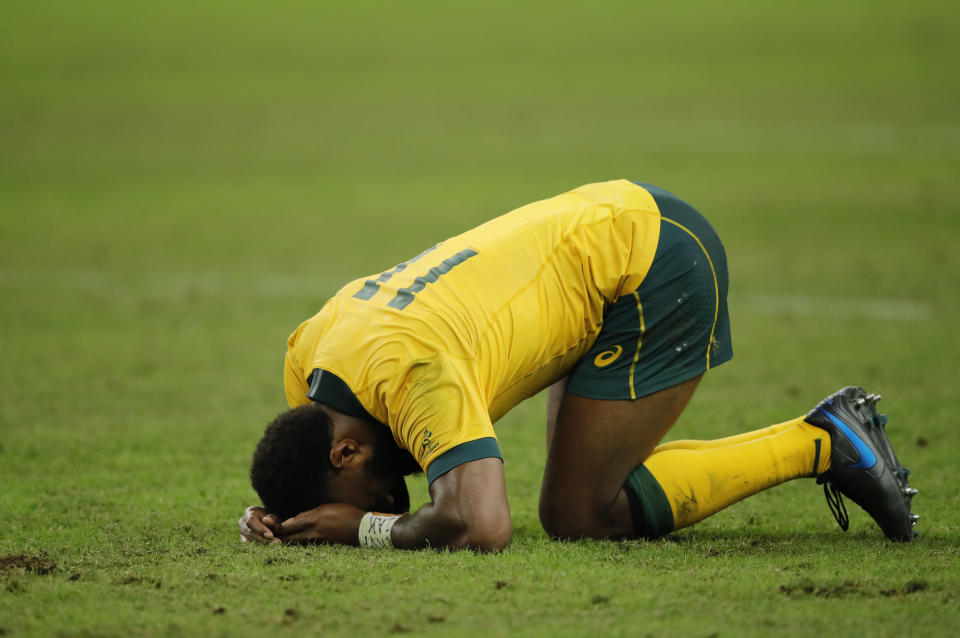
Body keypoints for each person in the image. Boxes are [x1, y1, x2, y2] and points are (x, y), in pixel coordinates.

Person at [238, 179, 918, 551]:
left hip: (654, 263)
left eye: (374, 495)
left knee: (583, 514)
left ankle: (825, 441)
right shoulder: (310, 360)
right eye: (379, 506)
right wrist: (279, 514)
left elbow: (482, 525)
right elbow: (310, 465)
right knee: (571, 510)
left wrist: (365, 529)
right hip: (604, 230)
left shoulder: (415, 371)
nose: (391, 499)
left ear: (349, 452)